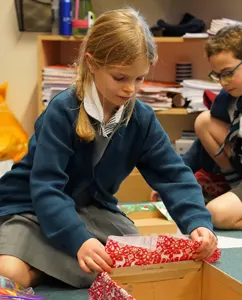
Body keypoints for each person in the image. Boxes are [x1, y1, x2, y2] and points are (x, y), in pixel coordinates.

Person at [0, 8, 216, 289]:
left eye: (139, 79)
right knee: (10, 271)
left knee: (131, 256)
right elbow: (47, 189)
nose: (130, 89)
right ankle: (40, 265)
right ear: (92, 63)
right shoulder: (62, 110)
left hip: (89, 210)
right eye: (120, 78)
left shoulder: (141, 117)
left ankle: (47, 264)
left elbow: (173, 175)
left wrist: (198, 222)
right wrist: (80, 240)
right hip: (31, 207)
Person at [152, 25, 242, 231]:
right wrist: (172, 179)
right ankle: (234, 185)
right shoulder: (229, 94)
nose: (223, 82)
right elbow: (200, 147)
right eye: (217, 75)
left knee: (215, 214)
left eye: (228, 73)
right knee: (203, 120)